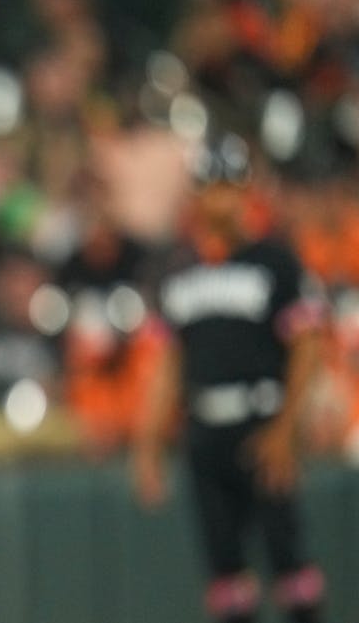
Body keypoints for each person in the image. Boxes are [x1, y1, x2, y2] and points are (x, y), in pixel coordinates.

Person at [132, 134, 327, 623]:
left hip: (261, 420)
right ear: (196, 194)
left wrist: (286, 429)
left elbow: (308, 347)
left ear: (246, 191)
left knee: (292, 571)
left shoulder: (275, 260)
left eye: (229, 185)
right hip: (205, 430)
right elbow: (170, 365)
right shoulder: (177, 268)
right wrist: (149, 444)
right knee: (226, 577)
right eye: (210, 186)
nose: (220, 197)